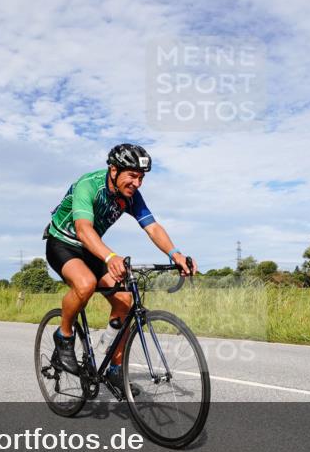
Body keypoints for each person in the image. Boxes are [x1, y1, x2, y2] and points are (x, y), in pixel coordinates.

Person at [44, 144, 196, 392]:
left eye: (141, 177)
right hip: (63, 243)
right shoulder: (89, 185)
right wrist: (110, 256)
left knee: (125, 300)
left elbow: (152, 227)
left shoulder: (131, 196)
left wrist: (175, 253)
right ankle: (64, 336)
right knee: (85, 284)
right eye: (133, 176)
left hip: (91, 248)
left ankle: (115, 369)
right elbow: (83, 229)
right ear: (114, 170)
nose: (137, 183)